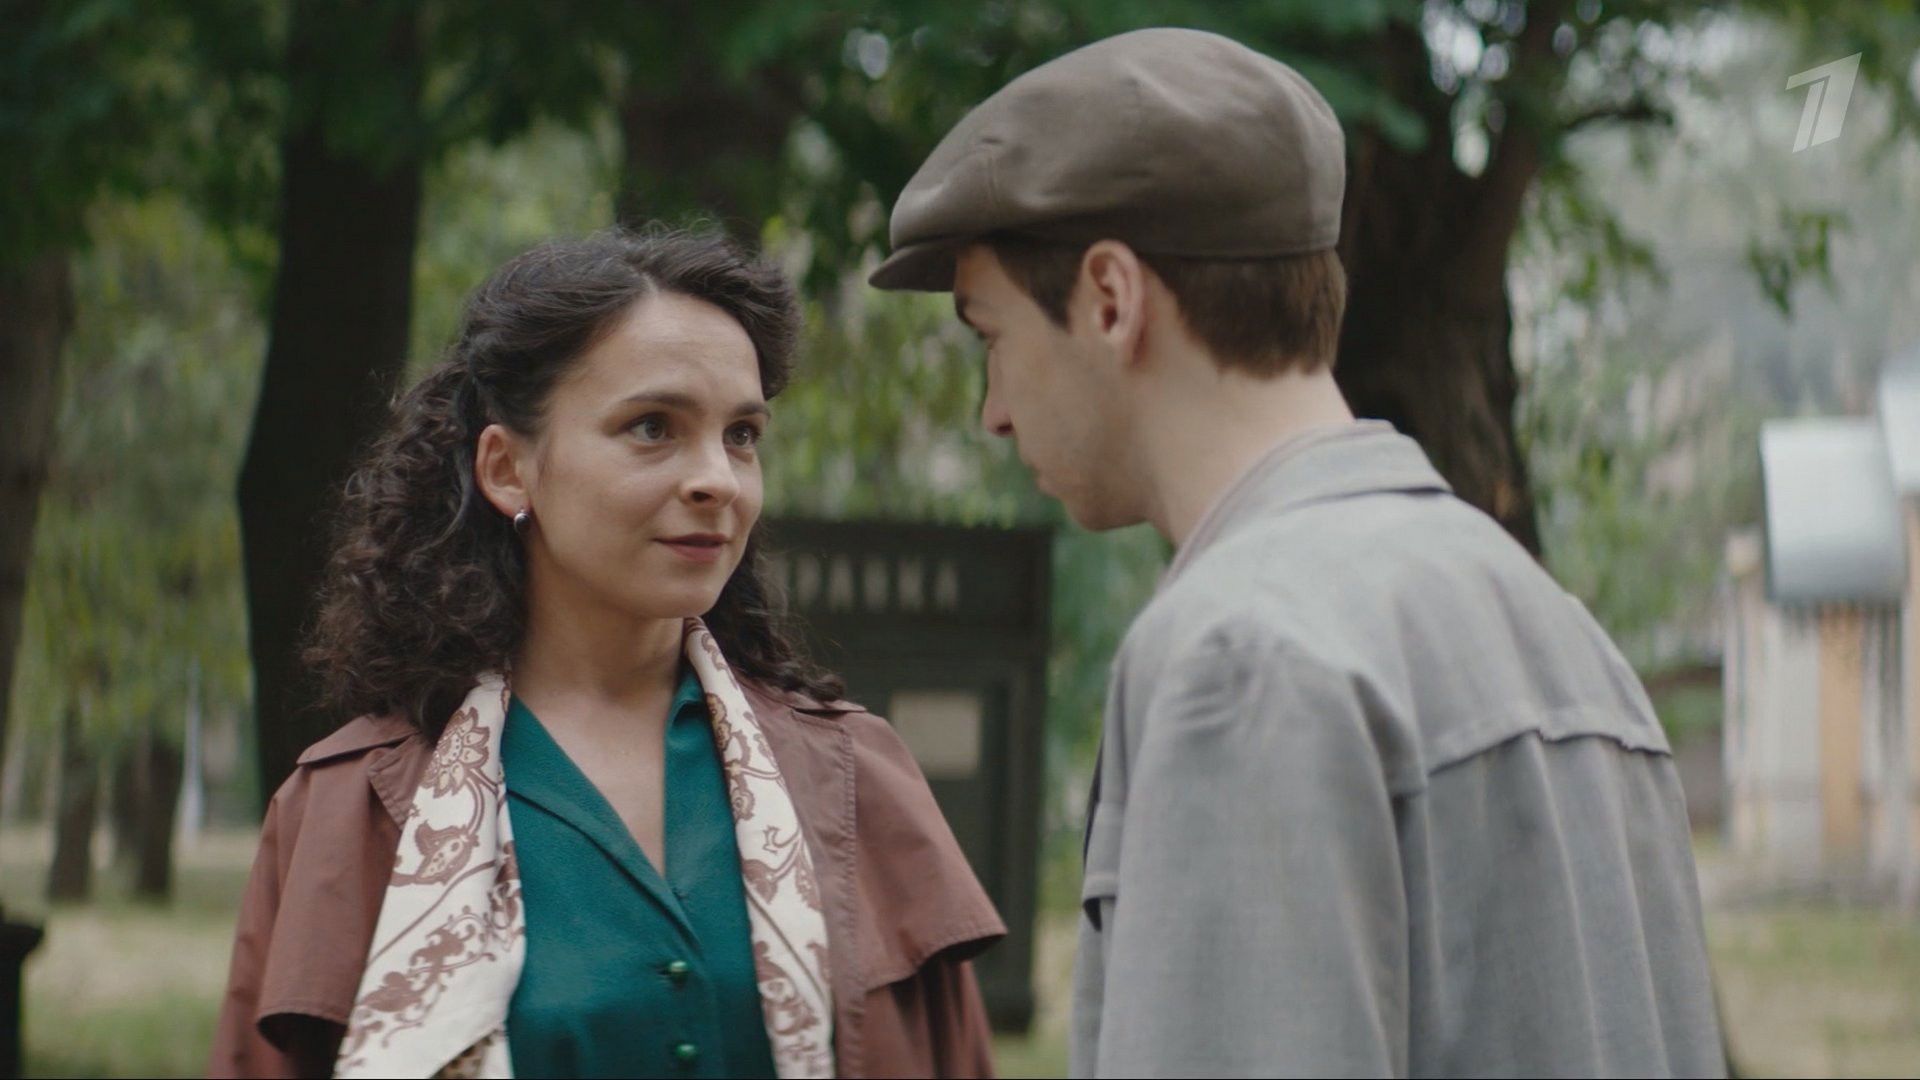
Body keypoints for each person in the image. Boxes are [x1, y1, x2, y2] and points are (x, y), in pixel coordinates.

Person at [869, 27, 1725, 1079]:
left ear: (1110, 300)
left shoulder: (1242, 657)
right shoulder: (1565, 635)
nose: (992, 411)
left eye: (991, 337)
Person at [210, 226, 1005, 1079]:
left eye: (742, 434)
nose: (717, 479)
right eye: (653, 427)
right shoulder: (350, 813)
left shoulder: (854, 782)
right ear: (507, 469)